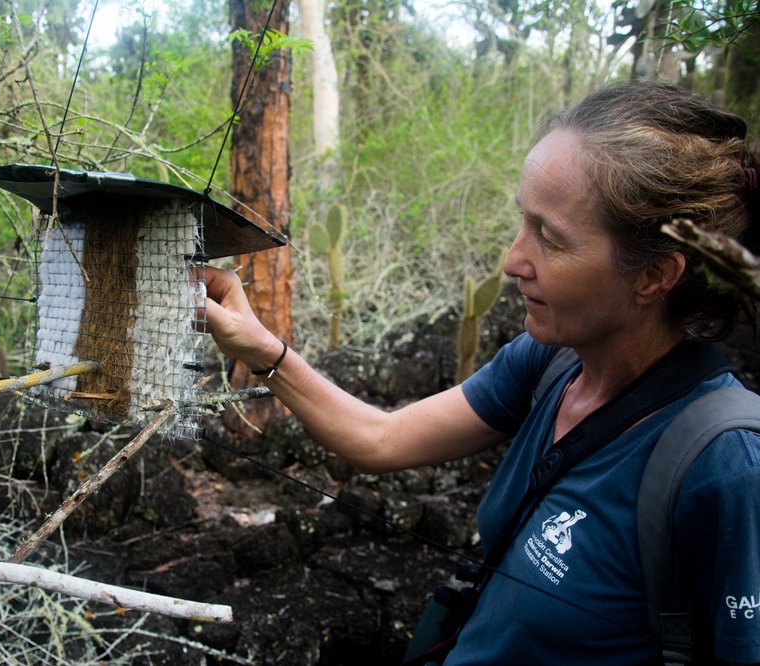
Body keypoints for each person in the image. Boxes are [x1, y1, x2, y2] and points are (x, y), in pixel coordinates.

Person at [199, 81, 760, 665]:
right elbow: (381, 439)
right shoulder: (550, 364)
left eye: (551, 238)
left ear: (655, 276)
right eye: (524, 222)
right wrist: (261, 347)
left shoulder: (723, 470)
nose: (513, 260)